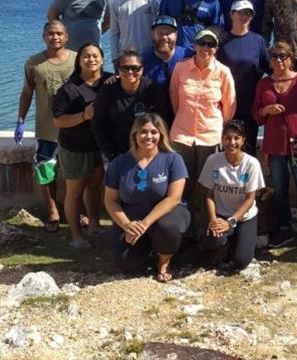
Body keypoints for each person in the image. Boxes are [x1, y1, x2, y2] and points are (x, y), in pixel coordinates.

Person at [105, 113, 190, 282]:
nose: (148, 136)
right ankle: (149, 247)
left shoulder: (173, 159)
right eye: (143, 132)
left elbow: (174, 198)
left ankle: (164, 261)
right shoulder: (119, 163)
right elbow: (110, 200)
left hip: (166, 214)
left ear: (161, 135)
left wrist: (145, 224)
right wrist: (127, 224)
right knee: (126, 264)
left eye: (154, 132)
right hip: (133, 218)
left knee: (166, 227)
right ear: (134, 135)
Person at [252, 42, 297, 253]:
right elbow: (256, 113)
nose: (278, 60)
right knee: (280, 190)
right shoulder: (264, 84)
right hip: (274, 146)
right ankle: (284, 228)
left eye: (283, 56)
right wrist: (266, 110)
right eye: (274, 57)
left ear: (291, 59)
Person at [169, 29, 236, 239]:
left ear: (215, 48)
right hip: (182, 136)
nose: (206, 48)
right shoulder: (180, 69)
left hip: (210, 137)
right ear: (195, 45)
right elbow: (174, 100)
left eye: (210, 44)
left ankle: (205, 233)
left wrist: (217, 128)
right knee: (181, 186)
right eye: (202, 43)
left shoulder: (223, 72)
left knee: (207, 187)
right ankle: (182, 232)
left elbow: (229, 106)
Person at [14, 20, 76, 231]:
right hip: (46, 130)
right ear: (44, 37)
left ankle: (74, 211)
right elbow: (26, 93)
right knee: (45, 172)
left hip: (74, 128)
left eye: (59, 33)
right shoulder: (34, 63)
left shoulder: (77, 60)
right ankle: (52, 212)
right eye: (51, 34)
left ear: (66, 36)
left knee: (75, 173)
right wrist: (20, 120)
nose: (55, 37)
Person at [52, 43, 113, 248]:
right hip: (75, 146)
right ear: (79, 61)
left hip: (100, 145)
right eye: (86, 56)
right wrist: (83, 115)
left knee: (95, 186)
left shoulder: (110, 81)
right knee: (75, 191)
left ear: (102, 59)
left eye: (95, 56)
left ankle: (94, 225)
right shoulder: (70, 88)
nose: (91, 60)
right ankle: (76, 235)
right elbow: (58, 120)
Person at [200, 120, 266, 272]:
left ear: (243, 140)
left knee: (241, 262)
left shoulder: (252, 163)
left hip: (243, 217)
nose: (232, 142)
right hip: (220, 215)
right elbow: (208, 193)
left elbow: (250, 199)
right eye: (228, 138)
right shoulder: (213, 160)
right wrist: (213, 219)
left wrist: (231, 221)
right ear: (222, 140)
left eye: (236, 138)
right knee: (213, 241)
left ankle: (237, 241)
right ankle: (222, 245)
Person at [92, 50, 171, 164]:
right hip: (116, 152)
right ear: (118, 70)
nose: (130, 72)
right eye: (125, 68)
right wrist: (111, 154)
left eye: (135, 68)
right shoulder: (108, 90)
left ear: (142, 69)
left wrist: (156, 151)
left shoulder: (152, 89)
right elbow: (98, 125)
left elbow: (163, 122)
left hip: (148, 152)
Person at [216, 0, 270, 155]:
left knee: (248, 150)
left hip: (250, 106)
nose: (244, 16)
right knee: (224, 151)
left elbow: (270, 69)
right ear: (231, 15)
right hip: (224, 107)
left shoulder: (258, 41)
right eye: (240, 12)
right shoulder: (221, 40)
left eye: (248, 13)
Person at [109, 0, 160, 64]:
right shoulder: (116, 3)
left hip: (150, 56)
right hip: (127, 58)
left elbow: (158, 31)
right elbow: (114, 33)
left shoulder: (153, 1)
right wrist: (115, 57)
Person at [142, 16, 192, 91]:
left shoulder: (189, 55)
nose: (164, 37)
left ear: (176, 35)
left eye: (168, 33)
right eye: (160, 33)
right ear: (152, 34)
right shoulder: (142, 61)